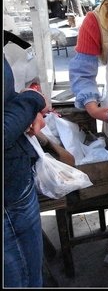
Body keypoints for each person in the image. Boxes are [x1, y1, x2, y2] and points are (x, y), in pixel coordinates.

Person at [4, 54, 50, 287]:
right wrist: (33, 100)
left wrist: (29, 108)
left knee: (32, 275)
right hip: (7, 200)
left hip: (17, 182)